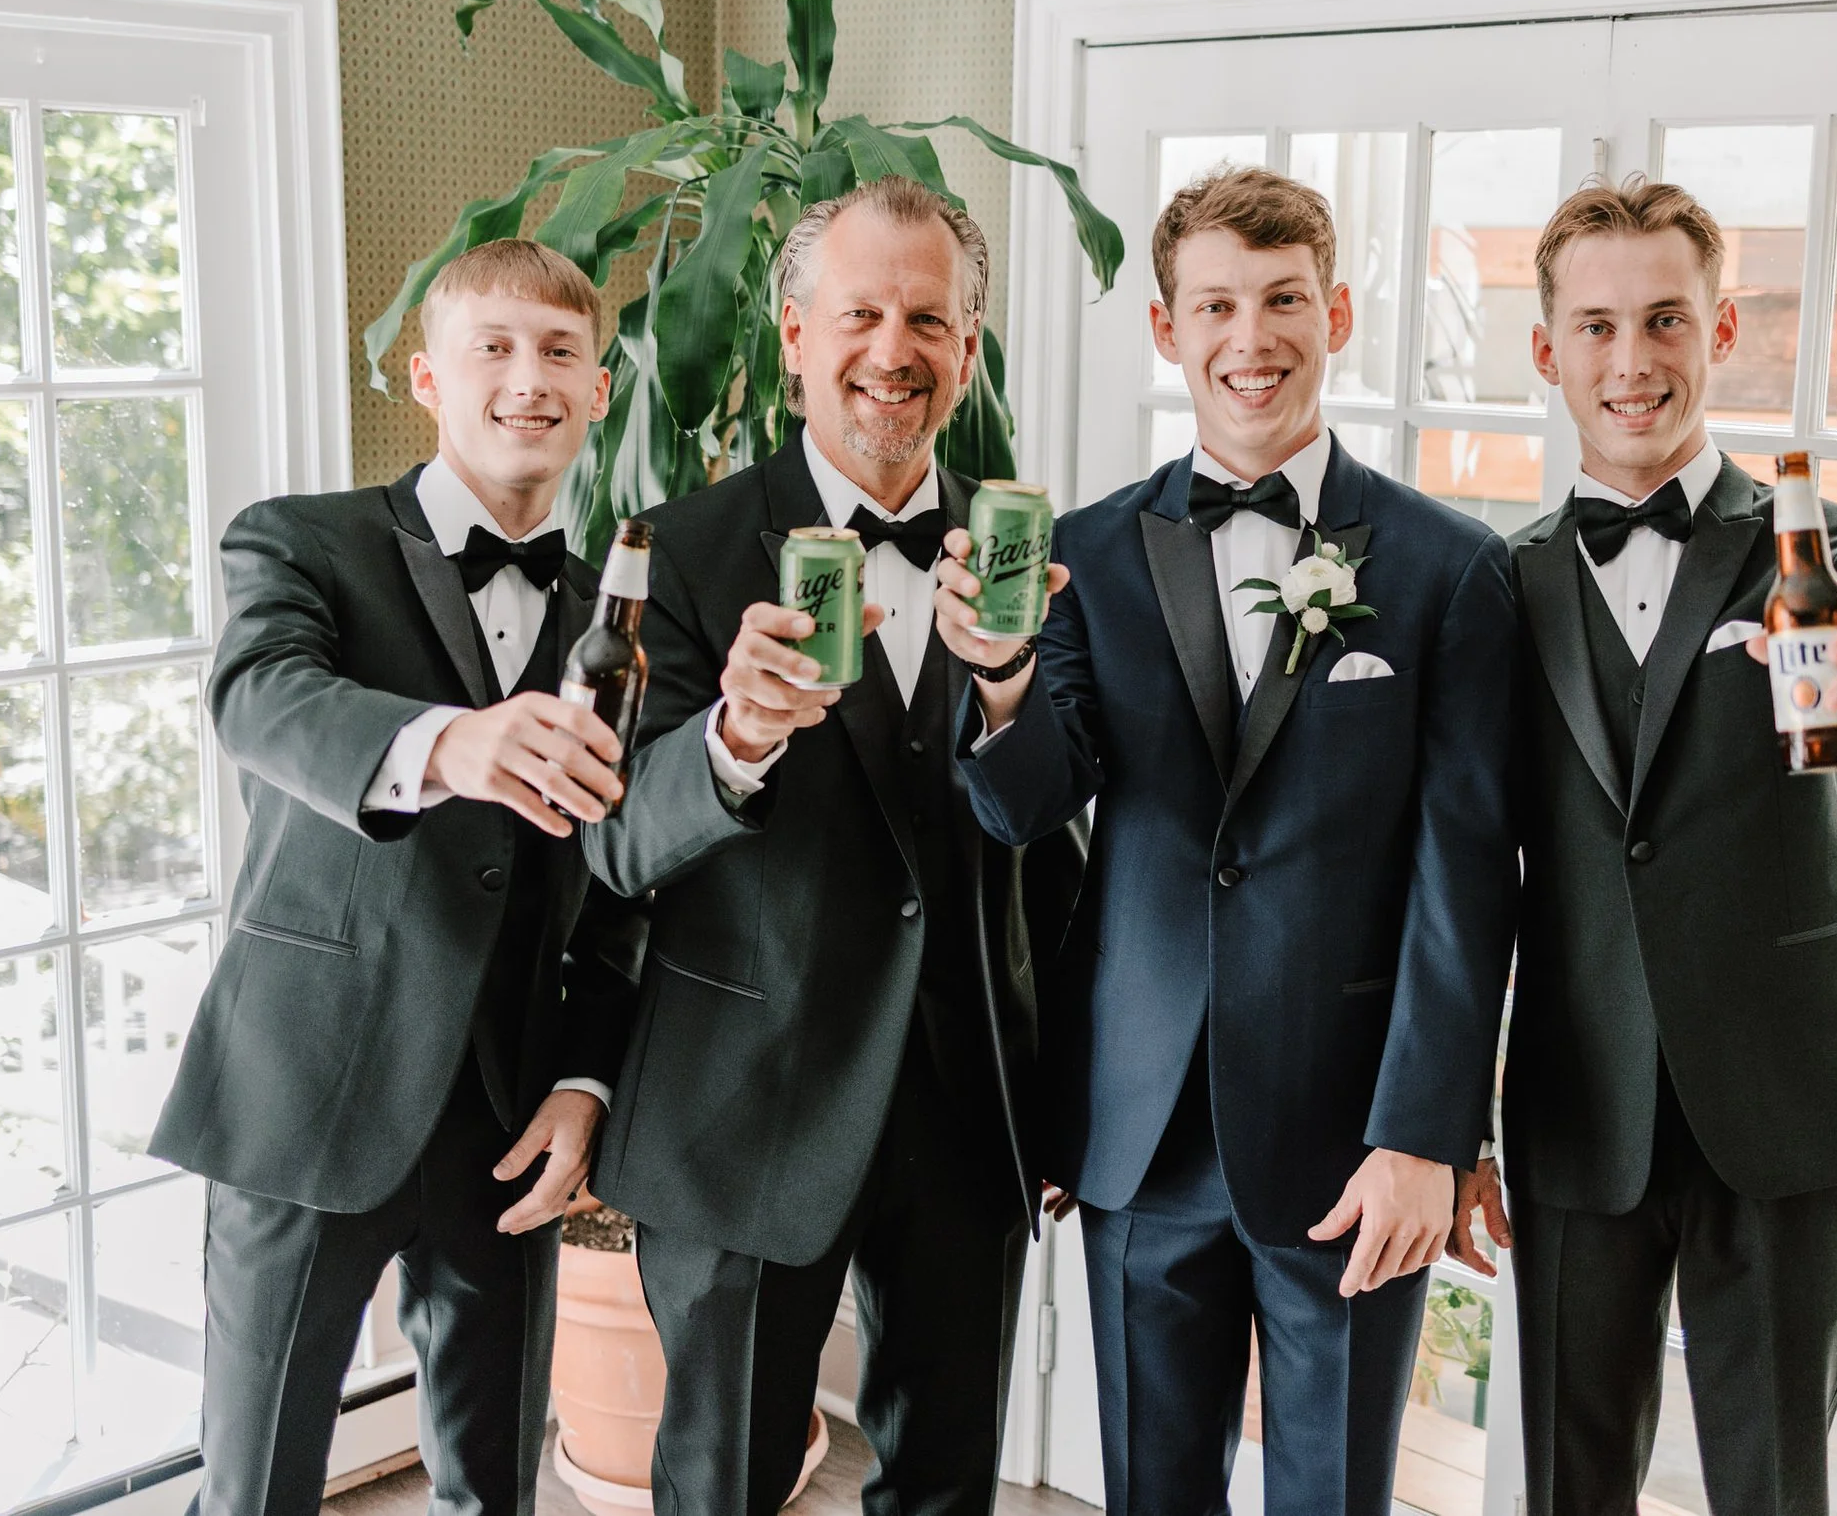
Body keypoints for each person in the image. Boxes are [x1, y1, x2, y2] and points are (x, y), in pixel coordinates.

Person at [938, 167, 1520, 1516]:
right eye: (1216, 304)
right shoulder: (1084, 552)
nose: (1249, 338)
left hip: (1352, 1137)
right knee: (1151, 1487)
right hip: (1137, 1131)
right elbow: (1028, 804)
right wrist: (1005, 682)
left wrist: (1427, 1133)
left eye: (1282, 300)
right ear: (1166, 328)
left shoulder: (1447, 569)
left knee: (1335, 1493)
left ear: (1341, 313)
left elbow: (1468, 871)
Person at [579, 177, 1084, 1516]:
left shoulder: (1036, 556)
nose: (894, 348)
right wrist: (735, 740)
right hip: (742, 1105)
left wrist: (1012, 694)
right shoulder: (676, 555)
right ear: (795, 335)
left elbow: (1061, 847)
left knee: (948, 1484)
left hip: (967, 1109)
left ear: (967, 352)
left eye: (929, 318)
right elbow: (615, 845)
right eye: (860, 311)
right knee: (721, 1479)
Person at [1459, 178, 1837, 1515]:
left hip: (1792, 1093)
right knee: (1570, 1484)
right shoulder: (1493, 588)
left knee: (1778, 1483)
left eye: (1667, 319)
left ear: (1721, 328)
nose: (1634, 362)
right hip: (1579, 1104)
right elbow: (1458, 873)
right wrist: (1451, 1117)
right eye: (1600, 326)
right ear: (1548, 349)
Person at [150, 238, 647, 1516]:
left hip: (509, 1116)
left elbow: (627, 885)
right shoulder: (300, 543)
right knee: (255, 1483)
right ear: (427, 376)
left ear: (599, 391)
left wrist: (585, 1080)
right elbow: (261, 699)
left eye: (559, 352)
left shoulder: (621, 616)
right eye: (493, 346)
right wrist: (447, 742)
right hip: (307, 1089)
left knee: (495, 1489)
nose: (526, 379)